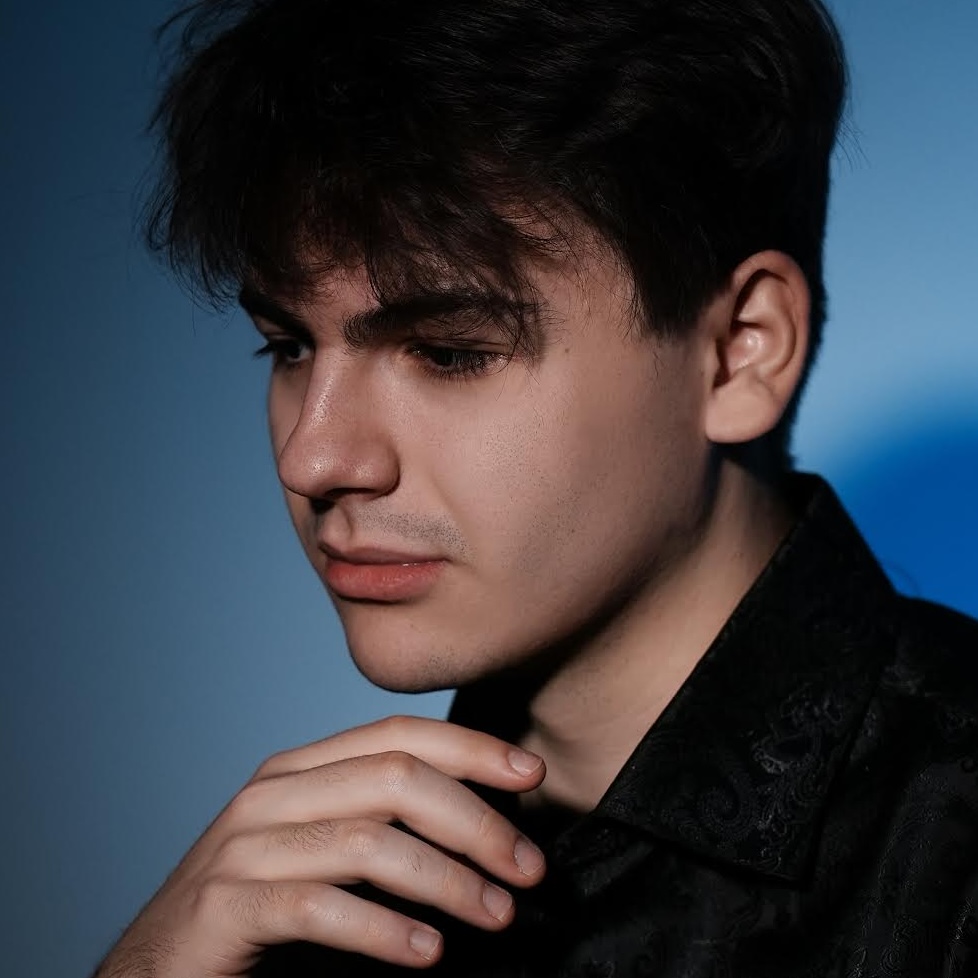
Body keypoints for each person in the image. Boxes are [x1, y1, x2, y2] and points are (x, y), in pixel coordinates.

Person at [93, 0, 978, 975]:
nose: (315, 457)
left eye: (449, 352)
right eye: (289, 345)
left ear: (740, 352)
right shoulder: (299, 909)